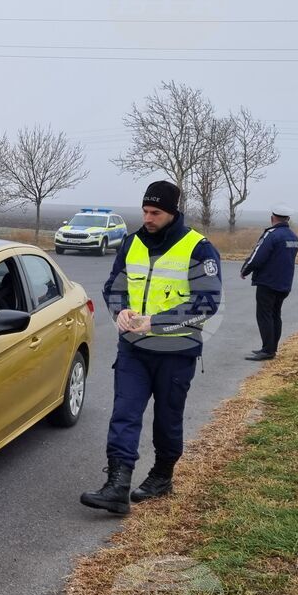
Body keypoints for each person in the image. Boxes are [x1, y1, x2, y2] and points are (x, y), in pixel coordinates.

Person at [80, 180, 223, 514]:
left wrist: (154, 322)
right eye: (145, 210)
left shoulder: (198, 248)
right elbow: (113, 285)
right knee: (124, 414)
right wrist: (122, 310)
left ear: (172, 212)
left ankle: (162, 475)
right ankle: (117, 485)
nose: (148, 217)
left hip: (176, 352)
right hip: (133, 349)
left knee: (167, 419)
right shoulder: (132, 243)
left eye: (155, 212)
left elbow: (207, 303)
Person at [240, 203, 298, 361]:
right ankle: (271, 348)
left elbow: (257, 256)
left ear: (272, 218)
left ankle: (267, 350)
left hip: (268, 282)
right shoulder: (293, 237)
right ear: (287, 219)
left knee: (264, 315)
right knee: (275, 314)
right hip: (284, 283)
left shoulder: (271, 235)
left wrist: (245, 269)